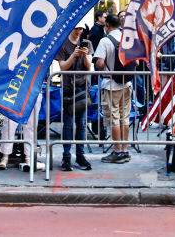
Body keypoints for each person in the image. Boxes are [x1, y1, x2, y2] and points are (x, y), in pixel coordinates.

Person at [95, 13, 134, 164]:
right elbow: (136, 63)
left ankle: (117, 151)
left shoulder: (105, 41)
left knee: (114, 118)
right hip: (127, 84)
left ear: (107, 26)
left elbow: (99, 63)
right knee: (125, 117)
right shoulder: (127, 39)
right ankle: (125, 149)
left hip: (111, 85)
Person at [56, 24, 92, 171]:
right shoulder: (63, 44)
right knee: (68, 124)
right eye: (76, 28)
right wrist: (73, 55)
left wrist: (83, 54)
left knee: (82, 124)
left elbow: (89, 66)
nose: (78, 31)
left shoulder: (87, 43)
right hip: (68, 88)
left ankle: (80, 155)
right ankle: (66, 156)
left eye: (81, 29)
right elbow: (63, 66)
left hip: (82, 87)